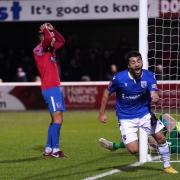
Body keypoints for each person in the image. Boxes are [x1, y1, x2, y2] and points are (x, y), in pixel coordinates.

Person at [98, 51, 178, 174]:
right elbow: (106, 93)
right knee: (133, 149)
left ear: (142, 62)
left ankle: (167, 166)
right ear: (129, 66)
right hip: (126, 117)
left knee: (161, 138)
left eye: (139, 61)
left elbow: (153, 91)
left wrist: (154, 96)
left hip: (145, 113)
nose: (137, 64)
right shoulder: (119, 78)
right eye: (133, 62)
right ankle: (127, 145)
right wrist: (102, 113)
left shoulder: (149, 75)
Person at [33, 22, 66, 158]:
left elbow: (62, 41)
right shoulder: (39, 49)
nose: (53, 39)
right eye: (51, 37)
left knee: (56, 119)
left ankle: (48, 148)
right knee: (57, 119)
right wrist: (47, 30)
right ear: (42, 38)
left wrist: (53, 29)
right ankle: (55, 150)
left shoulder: (50, 49)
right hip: (50, 88)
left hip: (54, 88)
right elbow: (47, 39)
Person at [99, 113, 180, 153]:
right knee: (165, 116)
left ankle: (114, 145)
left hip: (177, 144)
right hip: (177, 133)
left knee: (151, 142)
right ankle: (158, 138)